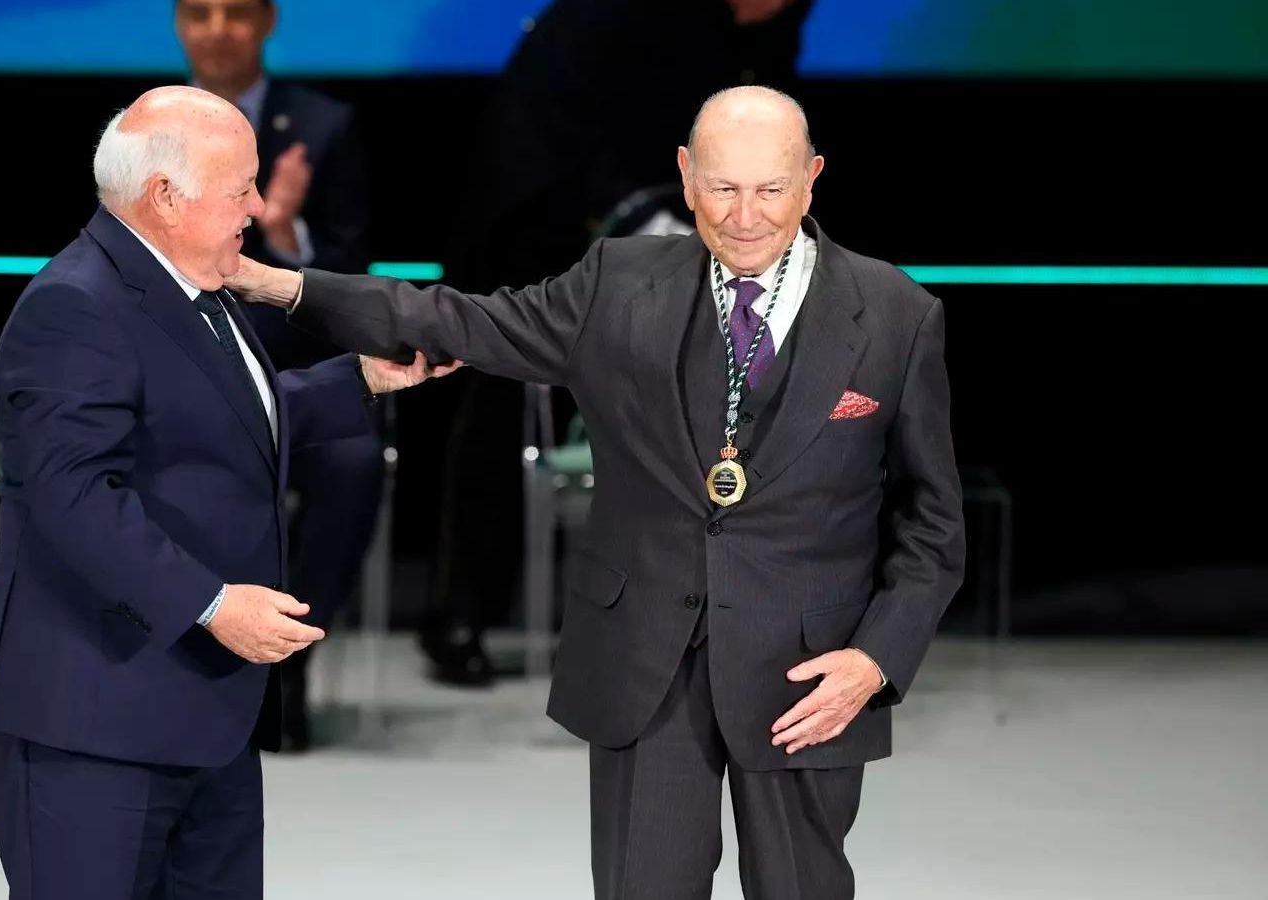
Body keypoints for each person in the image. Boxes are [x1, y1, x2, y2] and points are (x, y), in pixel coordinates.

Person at [227, 86, 965, 899]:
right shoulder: (618, 280)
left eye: (771, 189)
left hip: (812, 677)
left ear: (812, 179)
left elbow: (932, 524)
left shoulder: (896, 315)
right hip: (646, 664)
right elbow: (456, 317)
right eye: (722, 188)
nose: (746, 215)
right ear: (685, 177)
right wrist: (276, 284)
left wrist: (874, 660)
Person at [0, 86, 453, 899]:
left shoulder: (198, 289)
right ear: (164, 196)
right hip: (94, 718)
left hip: (206, 715)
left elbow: (222, 420)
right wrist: (214, 604)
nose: (257, 207)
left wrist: (360, 379)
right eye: (239, 188)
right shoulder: (73, 305)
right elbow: (72, 496)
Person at [422, 0, 817, 687]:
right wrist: (651, 215)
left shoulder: (771, 28)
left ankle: (700, 619)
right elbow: (566, 132)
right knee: (504, 407)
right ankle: (459, 612)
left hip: (665, 228)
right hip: (539, 219)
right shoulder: (620, 17)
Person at [175, 0, 381, 746]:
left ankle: (284, 660)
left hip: (293, 373)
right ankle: (190, 656)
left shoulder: (324, 127)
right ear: (178, 25)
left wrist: (286, 228)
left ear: (267, 22)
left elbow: (356, 283)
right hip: (178, 375)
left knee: (355, 463)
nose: (219, 29)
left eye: (237, 12)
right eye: (200, 12)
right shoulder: (142, 131)